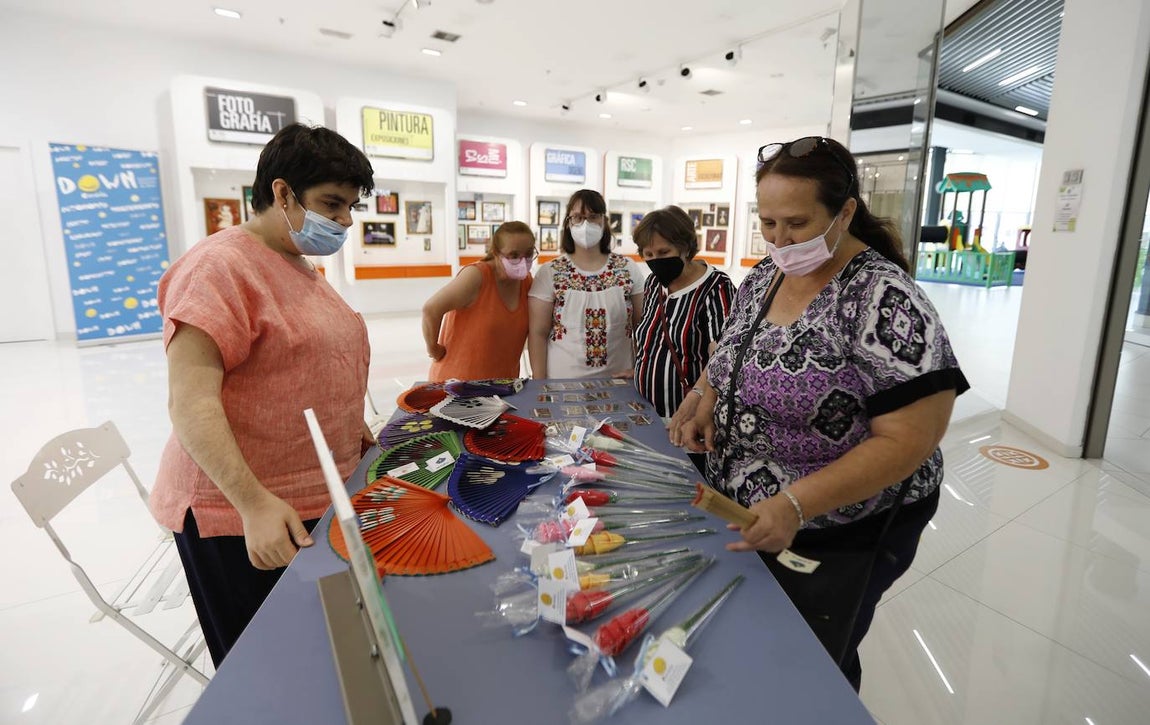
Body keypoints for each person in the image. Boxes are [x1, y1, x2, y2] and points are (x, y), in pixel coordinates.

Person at [680, 136, 968, 690]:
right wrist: (703, 399)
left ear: (846, 212)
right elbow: (729, 349)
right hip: (755, 509)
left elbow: (910, 440)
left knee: (813, 660)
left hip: (842, 526)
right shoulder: (766, 277)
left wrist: (795, 503)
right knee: (759, 643)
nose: (780, 240)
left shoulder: (884, 299)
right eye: (767, 223)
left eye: (797, 222)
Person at [150, 123, 376, 667]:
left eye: (351, 206)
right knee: (267, 668)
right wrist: (252, 503)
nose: (344, 220)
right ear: (281, 193)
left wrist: (353, 430)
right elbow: (191, 402)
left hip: (312, 492)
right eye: (332, 203)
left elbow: (308, 361)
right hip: (244, 511)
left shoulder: (297, 264)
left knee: (315, 657)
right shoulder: (219, 267)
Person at [631, 206, 735, 471]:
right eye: (648, 254)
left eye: (664, 252)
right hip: (649, 417)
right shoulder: (654, 284)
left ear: (686, 247)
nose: (655, 260)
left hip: (688, 422)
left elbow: (722, 354)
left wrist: (697, 397)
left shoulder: (716, 288)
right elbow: (650, 335)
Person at [528, 189, 644, 378]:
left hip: (620, 381)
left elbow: (643, 326)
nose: (585, 224)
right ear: (568, 223)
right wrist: (539, 385)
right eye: (578, 217)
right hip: (562, 383)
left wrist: (641, 371)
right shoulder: (550, 272)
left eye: (593, 216)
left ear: (604, 221)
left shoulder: (627, 268)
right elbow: (538, 333)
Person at [423, 221, 536, 381]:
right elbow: (431, 309)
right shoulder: (476, 276)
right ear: (496, 253)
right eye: (514, 255)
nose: (523, 262)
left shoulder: (527, 283)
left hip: (501, 388)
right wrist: (434, 349)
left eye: (529, 254)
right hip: (457, 385)